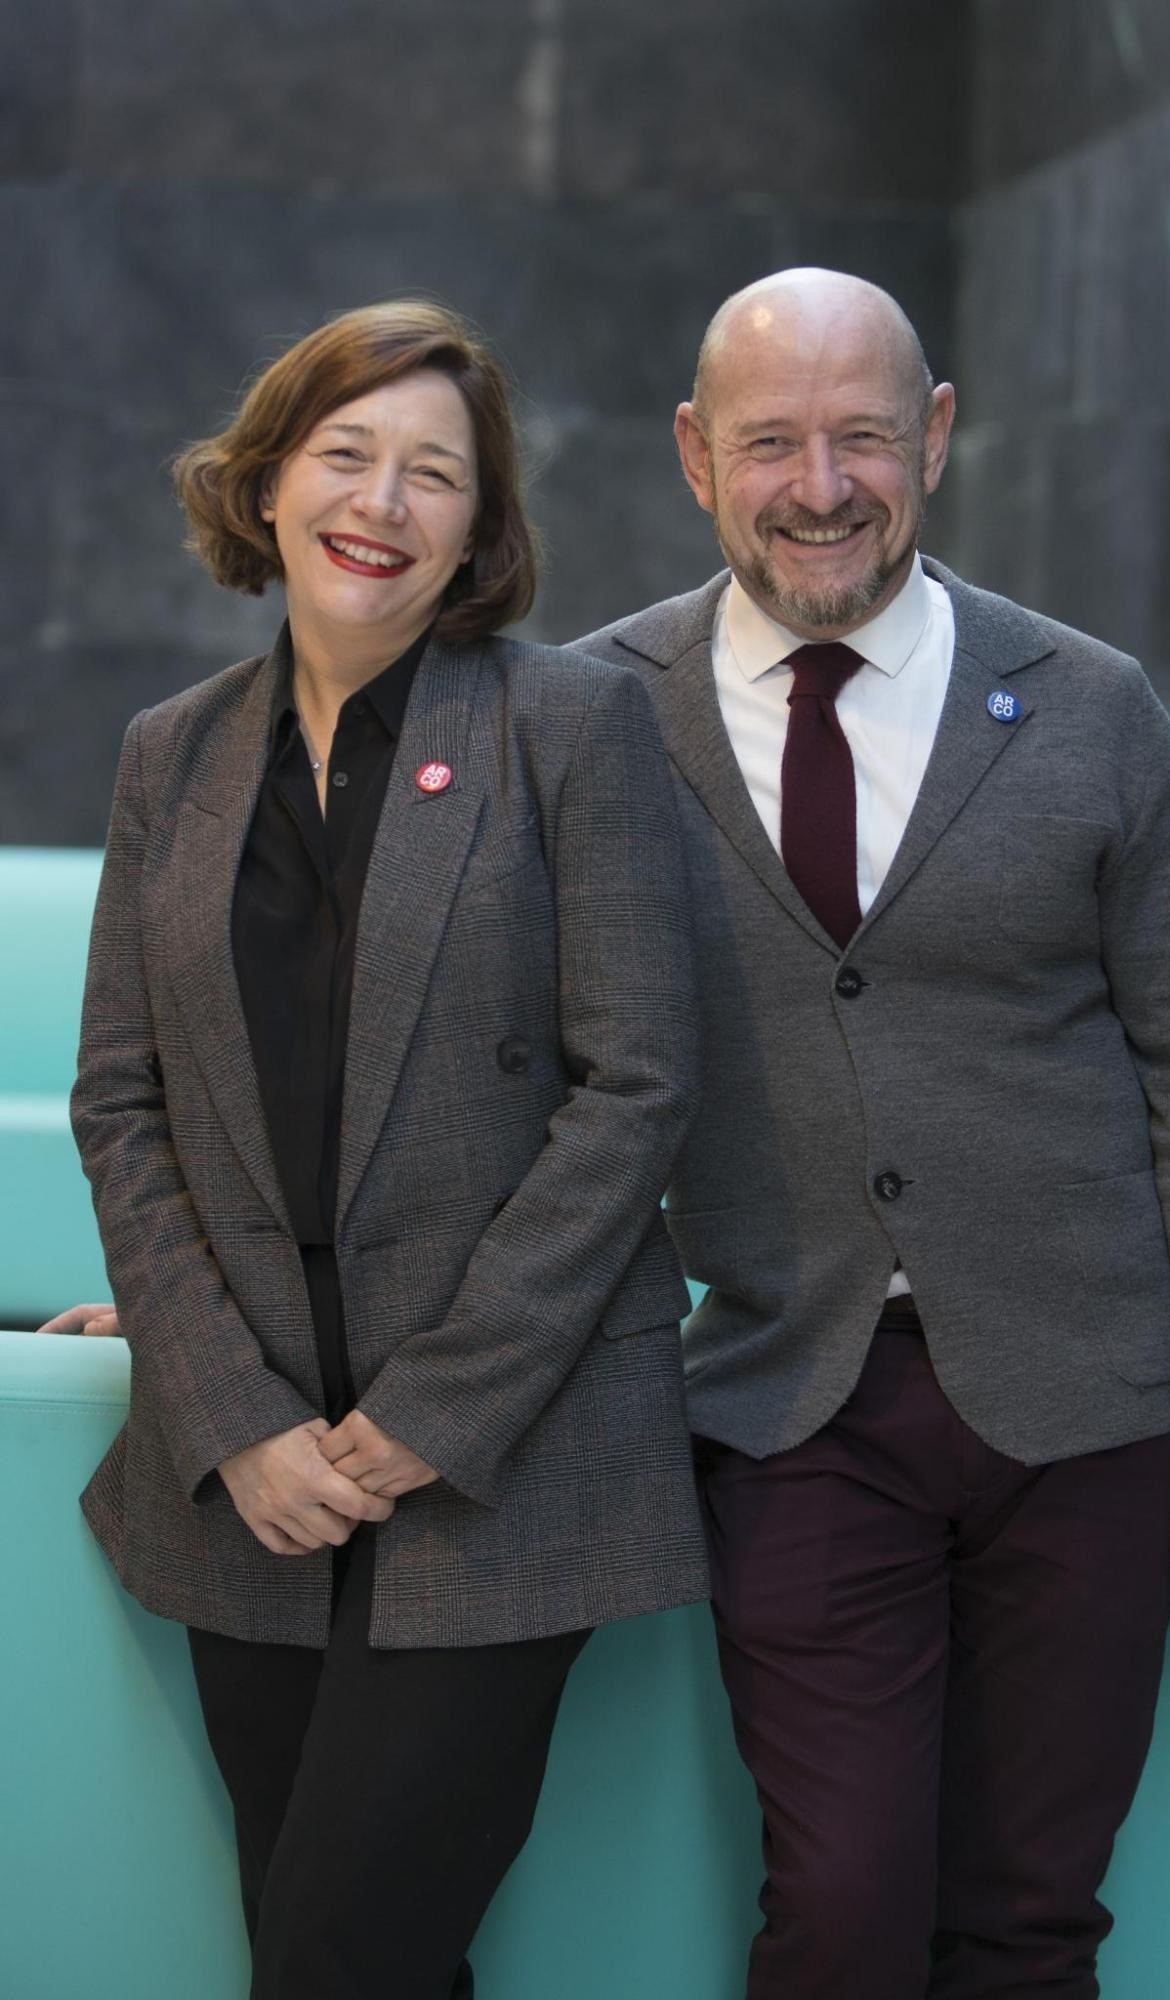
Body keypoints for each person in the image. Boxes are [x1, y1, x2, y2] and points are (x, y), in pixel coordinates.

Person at [571, 267, 1170, 1998]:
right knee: (839, 1908)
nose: (822, 484)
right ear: (693, 456)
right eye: (772, 442)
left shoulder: (1093, 702)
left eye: (866, 437)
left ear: (939, 438)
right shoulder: (592, 716)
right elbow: (489, 1065)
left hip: (1090, 1411)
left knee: (1033, 1922)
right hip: (793, 1403)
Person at [69, 298, 707, 2000]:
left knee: (335, 1959)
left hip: (504, 1463)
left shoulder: (570, 726)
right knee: (342, 1950)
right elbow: (120, 1104)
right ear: (269, 482)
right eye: (347, 452)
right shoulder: (171, 759)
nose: (386, 499)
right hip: (252, 1479)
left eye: (438, 472)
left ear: (482, 529)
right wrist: (228, 1410)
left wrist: (433, 1415)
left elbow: (636, 1087)